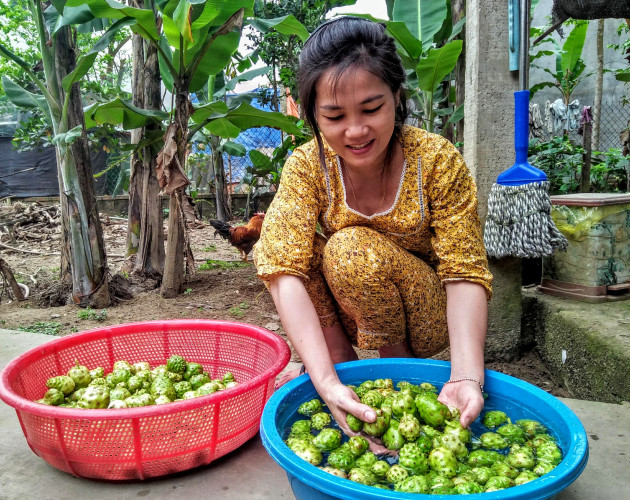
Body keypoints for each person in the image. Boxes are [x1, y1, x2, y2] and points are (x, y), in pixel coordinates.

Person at [253, 17, 492, 436]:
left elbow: (464, 271)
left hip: (428, 317)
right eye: (334, 115)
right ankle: (341, 375)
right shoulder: (307, 167)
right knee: (292, 247)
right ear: (312, 115)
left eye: (371, 108)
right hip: (351, 318)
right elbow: (281, 270)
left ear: (397, 98)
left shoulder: (435, 160)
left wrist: (467, 375)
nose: (356, 131)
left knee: (350, 249)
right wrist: (324, 380)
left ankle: (400, 378)